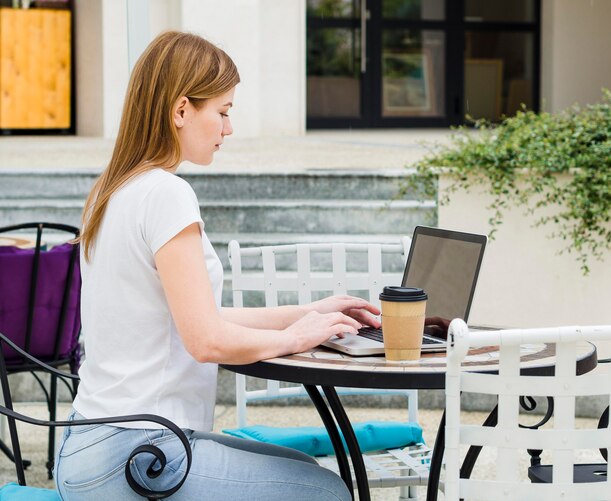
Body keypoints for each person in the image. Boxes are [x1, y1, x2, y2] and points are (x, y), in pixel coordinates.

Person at [54, 31, 381, 500]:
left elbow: (193, 319)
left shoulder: (115, 190)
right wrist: (295, 338)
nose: (229, 129)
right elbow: (206, 340)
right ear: (181, 109)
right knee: (325, 491)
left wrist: (308, 312)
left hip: (93, 446)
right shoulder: (166, 194)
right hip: (136, 457)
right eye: (223, 112)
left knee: (302, 469)